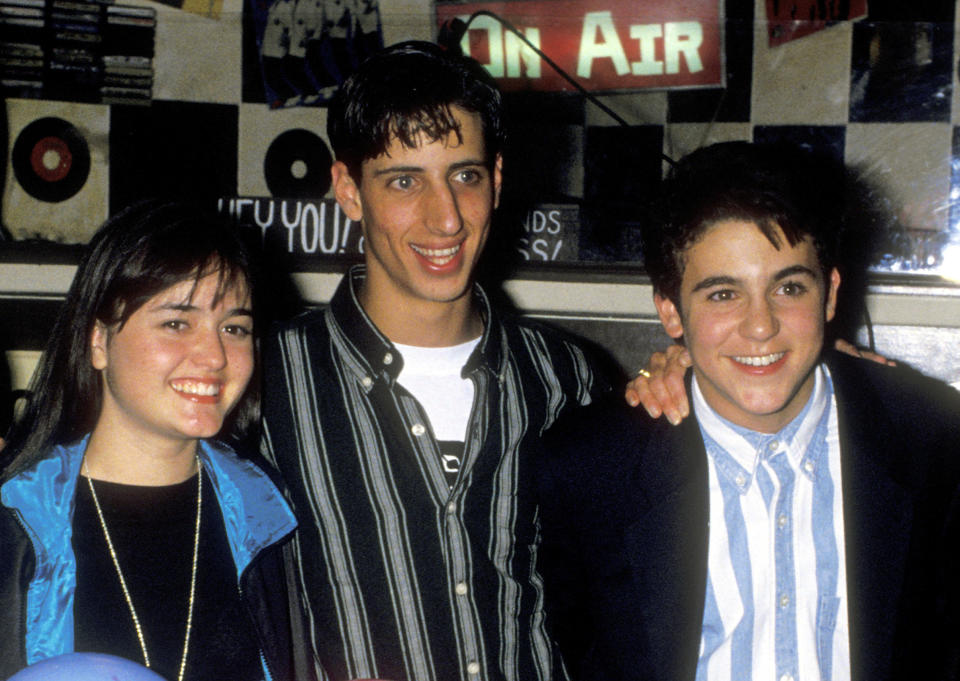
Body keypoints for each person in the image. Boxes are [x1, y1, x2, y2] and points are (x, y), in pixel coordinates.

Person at [536, 142, 960, 681]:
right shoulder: (591, 470)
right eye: (722, 295)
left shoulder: (934, 441)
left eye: (788, 287)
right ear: (670, 309)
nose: (761, 326)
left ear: (829, 294)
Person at [260, 41, 611, 681]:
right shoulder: (269, 379)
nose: (444, 216)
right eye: (404, 181)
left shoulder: (568, 379)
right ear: (347, 189)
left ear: (497, 179)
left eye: (464, 175)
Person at [0, 201, 303, 681]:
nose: (214, 356)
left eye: (234, 328)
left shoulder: (273, 517)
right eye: (176, 323)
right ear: (98, 341)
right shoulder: (15, 523)